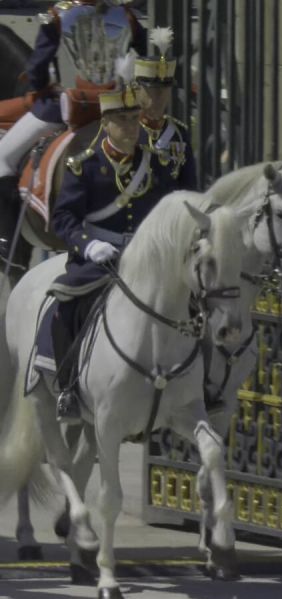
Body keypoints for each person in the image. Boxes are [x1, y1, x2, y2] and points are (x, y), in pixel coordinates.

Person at [47, 80, 173, 422]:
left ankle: (194, 382)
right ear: (106, 124)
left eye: (135, 119)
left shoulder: (154, 163)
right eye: (123, 121)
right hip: (100, 259)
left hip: (145, 258)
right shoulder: (83, 166)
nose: (131, 128)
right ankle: (68, 389)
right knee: (66, 299)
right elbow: (63, 218)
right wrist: (89, 245)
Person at [0, 0, 147, 268]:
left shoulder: (57, 16)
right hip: (118, 103)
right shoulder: (127, 16)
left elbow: (36, 71)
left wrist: (44, 87)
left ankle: (6, 246)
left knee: (2, 159)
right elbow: (148, 55)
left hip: (72, 105)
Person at [134, 27, 197, 191]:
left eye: (164, 91)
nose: (158, 99)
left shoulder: (179, 134)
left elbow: (189, 187)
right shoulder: (128, 130)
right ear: (137, 90)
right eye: (152, 91)